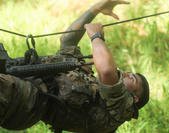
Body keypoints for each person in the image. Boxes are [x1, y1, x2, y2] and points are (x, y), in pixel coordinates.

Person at [0, 0, 149, 133]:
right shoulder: (86, 78)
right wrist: (95, 9)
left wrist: (96, 36)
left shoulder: (120, 109)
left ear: (134, 98)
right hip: (16, 79)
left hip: (25, 100)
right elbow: (68, 40)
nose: (128, 73)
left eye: (133, 78)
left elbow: (107, 71)